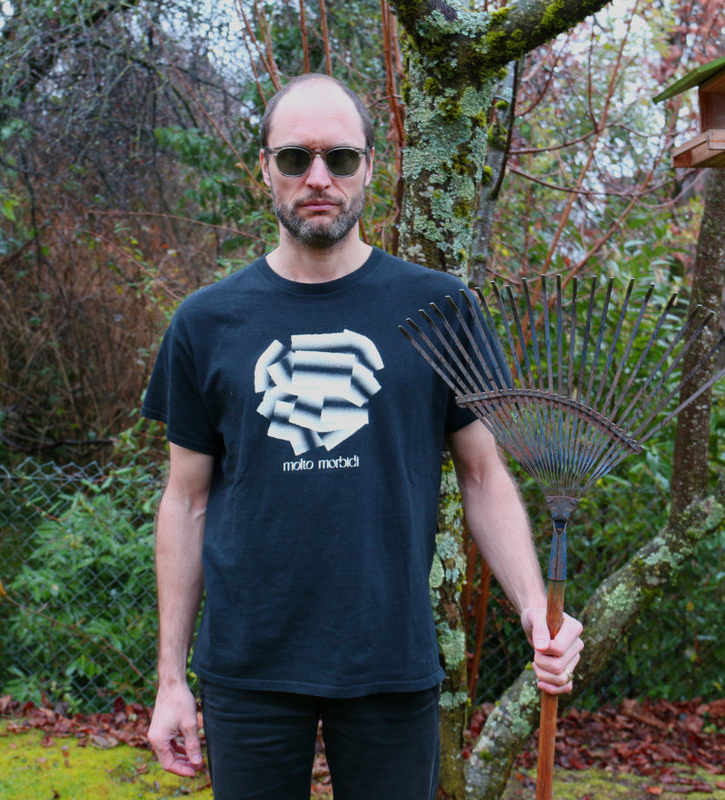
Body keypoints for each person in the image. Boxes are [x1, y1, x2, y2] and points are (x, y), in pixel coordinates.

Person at [141, 73, 583, 800]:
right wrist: (169, 681)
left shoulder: (441, 308)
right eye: (295, 158)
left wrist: (536, 609)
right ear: (264, 169)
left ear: (370, 167)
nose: (319, 178)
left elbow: (483, 476)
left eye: (340, 158)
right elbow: (185, 503)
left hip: (390, 657)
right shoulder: (205, 323)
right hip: (248, 666)